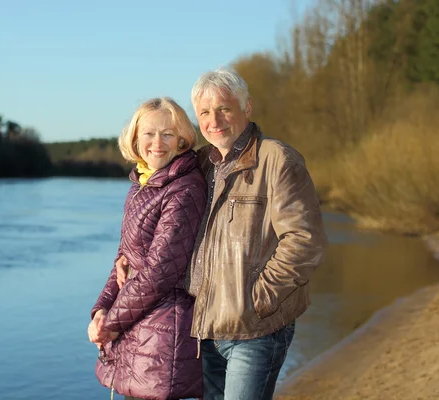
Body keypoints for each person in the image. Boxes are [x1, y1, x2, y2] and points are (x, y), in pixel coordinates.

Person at [117, 68, 328, 400]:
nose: (214, 120)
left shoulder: (278, 160)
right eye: (204, 113)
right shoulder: (199, 164)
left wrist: (258, 298)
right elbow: (158, 219)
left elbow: (304, 241)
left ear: (247, 108)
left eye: (224, 109)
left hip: (256, 329)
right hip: (204, 330)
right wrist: (125, 257)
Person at [88, 97, 207, 400]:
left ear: (182, 139)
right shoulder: (142, 184)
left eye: (167, 134)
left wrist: (111, 324)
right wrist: (101, 309)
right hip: (137, 325)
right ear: (135, 137)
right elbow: (124, 257)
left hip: (164, 331)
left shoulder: (185, 187)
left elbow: (160, 271)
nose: (157, 142)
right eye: (149, 133)